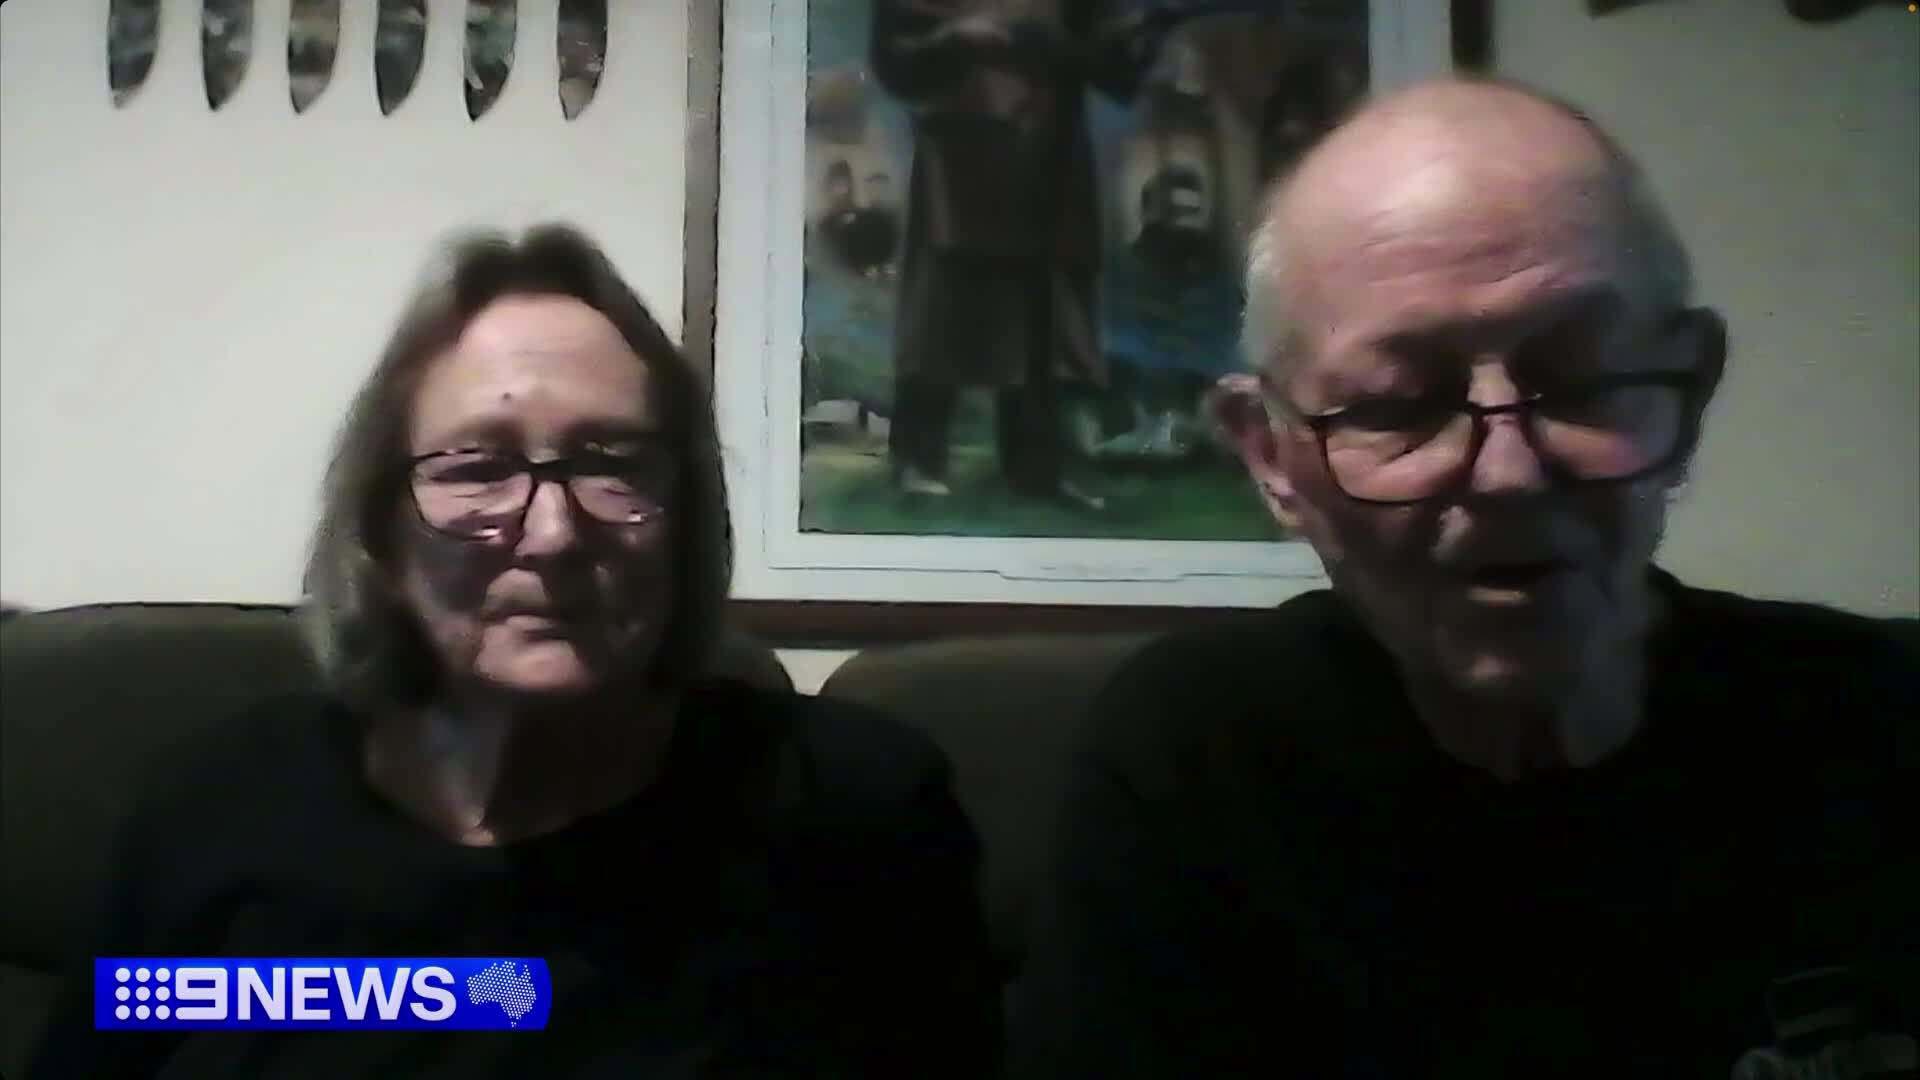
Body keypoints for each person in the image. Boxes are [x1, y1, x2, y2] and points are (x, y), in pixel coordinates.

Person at [1012, 78, 1918, 1078]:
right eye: (1400, 404)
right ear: (1270, 456)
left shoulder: (1889, 723)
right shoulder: (1196, 759)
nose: (1510, 472)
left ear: (1688, 392)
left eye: (1579, 379)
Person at [30, 225, 1000, 1078]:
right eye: (478, 466)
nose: (550, 534)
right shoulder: (215, 812)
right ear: (382, 531)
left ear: (686, 522)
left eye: (612, 465)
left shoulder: (851, 816)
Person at [869, 0, 1165, 507]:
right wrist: (961, 38)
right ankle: (917, 459)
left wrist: (1139, 30)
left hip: (1048, 154)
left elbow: (1112, 66)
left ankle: (1038, 469)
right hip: (960, 154)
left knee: (1041, 322)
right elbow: (895, 58)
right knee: (941, 310)